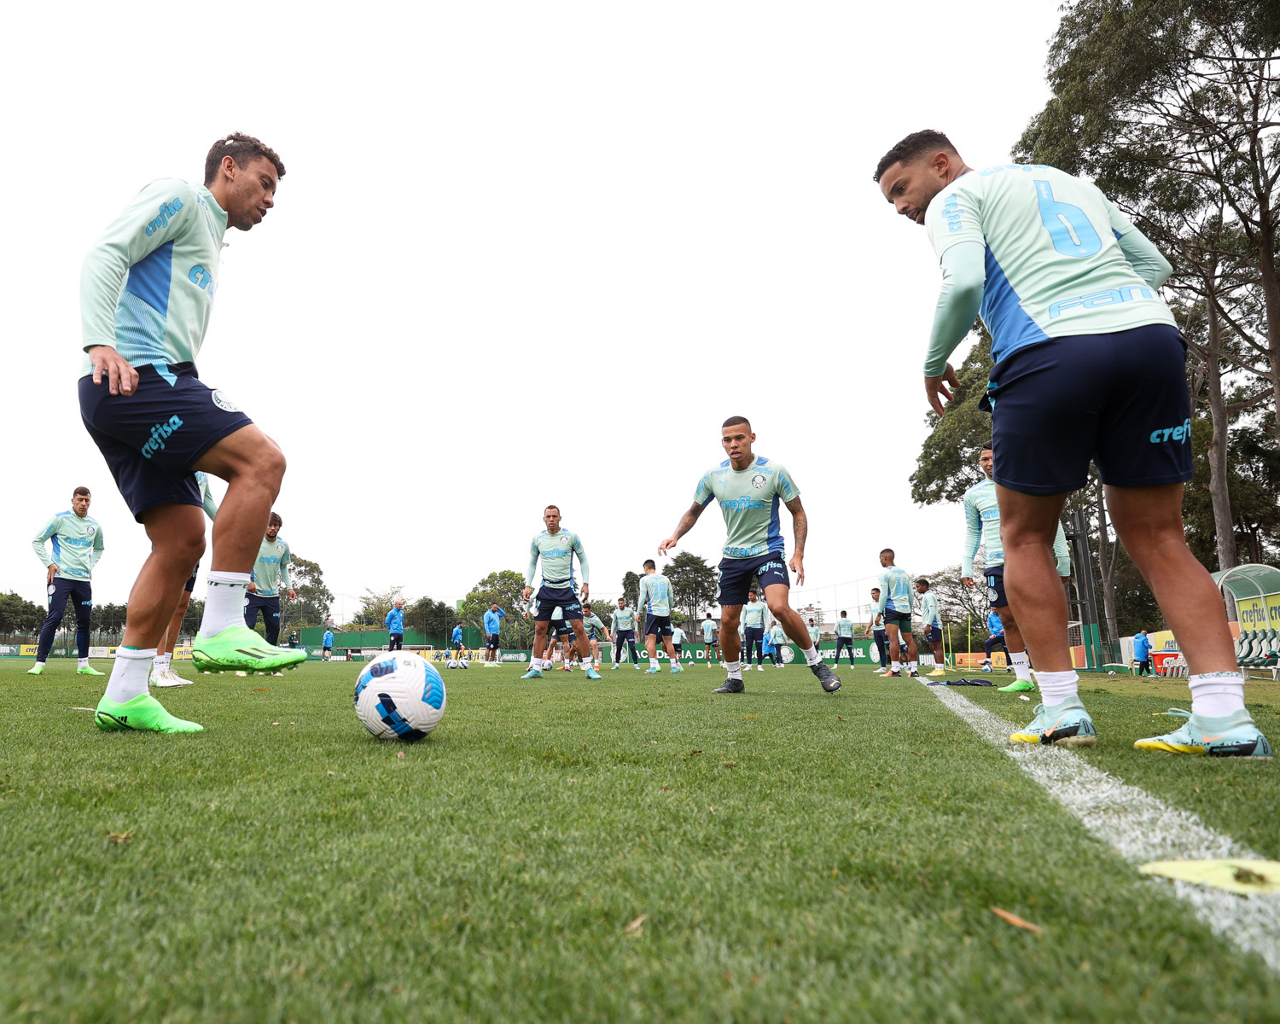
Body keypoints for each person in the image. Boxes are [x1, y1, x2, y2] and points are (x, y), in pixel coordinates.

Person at [875, 129, 1270, 757]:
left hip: (1050, 351)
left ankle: (1061, 707)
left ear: (941, 164)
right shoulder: (1068, 181)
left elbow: (963, 283)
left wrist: (932, 363)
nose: (900, 207)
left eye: (901, 188)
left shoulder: (956, 197)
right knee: (1161, 536)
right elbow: (1155, 266)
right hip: (1151, 341)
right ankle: (1225, 716)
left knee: (1026, 536)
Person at [82, 133, 304, 734]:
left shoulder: (211, 238)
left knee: (181, 540)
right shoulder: (182, 199)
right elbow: (107, 251)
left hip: (130, 388)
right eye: (264, 184)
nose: (270, 199)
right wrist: (99, 341)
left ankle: (125, 695)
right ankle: (224, 623)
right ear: (228, 168)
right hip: (136, 375)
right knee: (262, 461)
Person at [658, 416, 841, 694]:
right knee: (728, 621)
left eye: (739, 438)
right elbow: (693, 511)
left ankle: (818, 665)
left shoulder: (774, 471)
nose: (733, 444)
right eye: (727, 440)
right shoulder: (713, 476)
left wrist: (798, 553)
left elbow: (798, 511)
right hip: (733, 557)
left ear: (752, 438)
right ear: (722, 443)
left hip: (768, 551)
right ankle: (734, 678)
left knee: (778, 607)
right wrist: (675, 536)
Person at [962, 442, 1070, 694]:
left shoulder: (1026, 482)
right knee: (1007, 620)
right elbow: (973, 531)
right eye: (984, 459)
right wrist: (967, 565)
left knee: (1040, 617)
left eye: (994, 457)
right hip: (995, 564)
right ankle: (1023, 677)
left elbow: (1053, 521)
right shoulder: (973, 494)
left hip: (1030, 559)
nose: (989, 463)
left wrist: (1063, 559)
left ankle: (1054, 676)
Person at [150, 471, 220, 687]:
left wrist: (233, 524)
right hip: (170, 539)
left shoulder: (203, 474)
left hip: (194, 545)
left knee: (181, 606)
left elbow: (208, 504)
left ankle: (166, 668)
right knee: (166, 602)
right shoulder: (174, 463)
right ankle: (157, 670)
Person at [30, 487, 106, 676]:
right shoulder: (59, 519)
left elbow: (99, 548)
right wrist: (49, 564)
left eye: (87, 500)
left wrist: (90, 565)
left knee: (84, 622)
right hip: (60, 577)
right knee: (55, 617)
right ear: (73, 500)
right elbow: (37, 541)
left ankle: (83, 665)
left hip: (82, 580)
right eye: (80, 499)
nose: (83, 503)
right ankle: (40, 663)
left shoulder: (95, 526)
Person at [521, 506, 600, 680]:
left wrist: (585, 583)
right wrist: (528, 585)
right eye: (548, 516)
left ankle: (589, 668)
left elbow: (583, 560)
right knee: (540, 629)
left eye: (554, 516)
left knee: (579, 627)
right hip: (546, 589)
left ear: (560, 518)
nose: (551, 519)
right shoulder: (538, 539)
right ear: (544, 519)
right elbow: (532, 563)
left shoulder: (571, 537)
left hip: (567, 589)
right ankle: (536, 669)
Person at [244, 512, 296, 651]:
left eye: (275, 525)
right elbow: (243, 561)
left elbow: (283, 567)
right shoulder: (255, 541)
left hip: (272, 595)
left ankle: (267, 657)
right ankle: (243, 658)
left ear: (279, 527)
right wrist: (248, 581)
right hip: (252, 593)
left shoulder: (283, 545)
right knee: (248, 626)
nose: (273, 528)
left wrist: (289, 588)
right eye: (270, 525)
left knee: (274, 629)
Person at [875, 550, 918, 677]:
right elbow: (911, 594)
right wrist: (909, 609)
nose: (880, 561)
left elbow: (883, 595)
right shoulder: (904, 573)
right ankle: (914, 670)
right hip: (905, 609)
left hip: (892, 609)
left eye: (880, 558)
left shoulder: (885, 573)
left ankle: (895, 669)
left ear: (885, 558)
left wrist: (879, 612)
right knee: (909, 640)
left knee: (893, 639)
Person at [639, 560, 684, 675]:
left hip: (653, 612)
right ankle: (674, 667)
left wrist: (638, 612)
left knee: (651, 641)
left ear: (646, 568)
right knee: (668, 641)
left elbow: (642, 597)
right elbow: (671, 597)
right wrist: (669, 610)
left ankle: (653, 667)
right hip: (665, 613)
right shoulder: (666, 579)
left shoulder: (644, 579)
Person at [915, 579, 947, 677]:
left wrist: (929, 625)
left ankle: (940, 669)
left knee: (937, 646)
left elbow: (932, 611)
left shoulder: (929, 596)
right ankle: (937, 667)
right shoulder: (926, 596)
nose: (917, 589)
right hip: (929, 624)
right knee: (933, 646)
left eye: (918, 587)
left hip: (934, 625)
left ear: (924, 586)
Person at [610, 598, 641, 670]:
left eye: (621, 603)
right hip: (620, 632)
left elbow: (634, 620)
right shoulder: (616, 612)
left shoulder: (629, 611)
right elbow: (614, 622)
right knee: (618, 648)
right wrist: (611, 632)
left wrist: (636, 630)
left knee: (632, 647)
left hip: (629, 631)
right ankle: (617, 664)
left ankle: (636, 664)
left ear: (624, 603)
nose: (620, 605)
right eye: (619, 603)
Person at [742, 590, 768, 671]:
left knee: (759, 647)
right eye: (749, 596)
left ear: (755, 595)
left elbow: (766, 617)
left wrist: (766, 629)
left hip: (758, 628)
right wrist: (742, 629)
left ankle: (759, 665)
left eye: (751, 595)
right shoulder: (746, 605)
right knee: (748, 646)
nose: (750, 597)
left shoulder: (761, 605)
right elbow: (743, 617)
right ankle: (749, 665)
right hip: (749, 628)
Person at [866, 589, 890, 673]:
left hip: (884, 628)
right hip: (876, 630)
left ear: (879, 593)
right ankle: (883, 667)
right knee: (880, 649)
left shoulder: (884, 603)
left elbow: (887, 616)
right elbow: (873, 617)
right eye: (871, 593)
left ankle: (896, 665)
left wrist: (887, 627)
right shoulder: (872, 604)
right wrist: (868, 627)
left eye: (874, 593)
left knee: (890, 647)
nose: (872, 595)